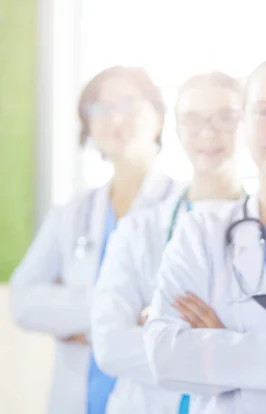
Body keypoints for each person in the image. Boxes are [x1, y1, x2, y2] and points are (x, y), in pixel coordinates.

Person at [142, 53, 266, 414]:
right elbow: (165, 355)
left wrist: (223, 347)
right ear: (244, 124)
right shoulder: (201, 232)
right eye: (264, 112)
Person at [10, 66, 178, 414]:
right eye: (99, 108)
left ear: (159, 117)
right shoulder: (71, 213)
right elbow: (24, 300)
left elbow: (180, 312)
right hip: (76, 397)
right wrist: (118, 317)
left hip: (153, 394)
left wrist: (74, 317)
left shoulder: (183, 207)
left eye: (127, 104)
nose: (113, 117)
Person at [90, 72, 245, 414]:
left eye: (225, 117)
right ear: (175, 128)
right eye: (192, 119)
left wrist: (165, 334)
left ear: (247, 122)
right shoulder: (138, 229)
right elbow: (110, 345)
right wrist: (224, 345)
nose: (208, 132)